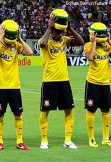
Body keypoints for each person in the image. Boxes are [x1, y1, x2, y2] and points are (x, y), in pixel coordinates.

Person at [38, 9, 84, 149]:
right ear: (53, 30)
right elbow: (42, 44)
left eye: (61, 32)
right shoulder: (45, 40)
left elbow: (81, 41)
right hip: (49, 81)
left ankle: (68, 140)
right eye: (59, 32)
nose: (60, 34)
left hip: (64, 81)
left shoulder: (64, 40)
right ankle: (44, 140)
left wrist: (70, 28)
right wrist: (49, 28)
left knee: (69, 111)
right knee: (45, 111)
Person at [0, 19, 33, 151]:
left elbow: (30, 52)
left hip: (14, 86)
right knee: (0, 114)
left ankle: (19, 141)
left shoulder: (16, 45)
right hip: (0, 86)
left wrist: (19, 38)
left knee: (18, 114)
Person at [84, 22, 111, 147]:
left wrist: (109, 40)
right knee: (91, 110)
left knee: (106, 110)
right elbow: (90, 57)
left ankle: (106, 138)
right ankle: (91, 138)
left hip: (105, 83)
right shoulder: (88, 45)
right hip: (93, 83)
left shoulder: (107, 45)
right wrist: (94, 42)